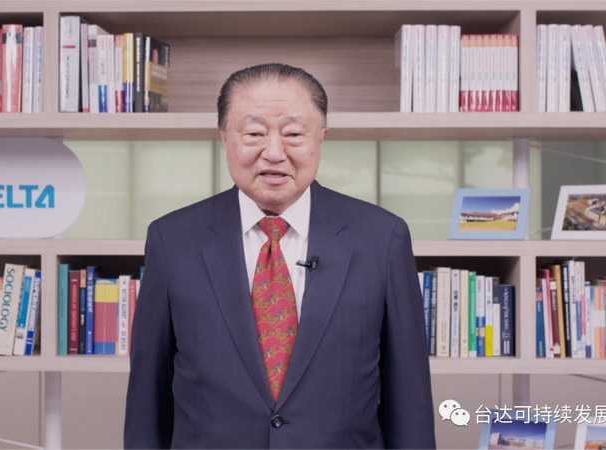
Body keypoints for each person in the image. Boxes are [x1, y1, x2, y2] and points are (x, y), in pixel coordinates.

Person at [124, 63, 436, 449]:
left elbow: (409, 401)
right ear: (224, 136)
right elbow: (147, 399)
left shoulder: (381, 238)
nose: (274, 152)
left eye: (293, 134)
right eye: (254, 133)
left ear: (321, 137)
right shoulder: (172, 240)